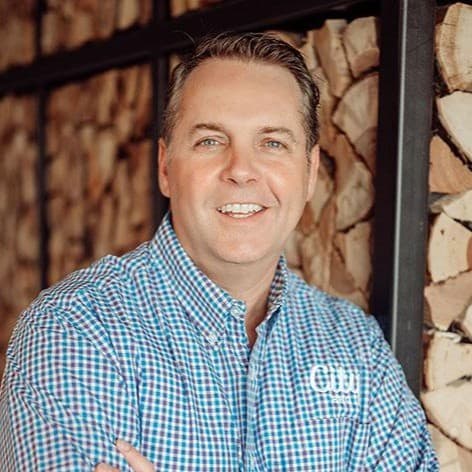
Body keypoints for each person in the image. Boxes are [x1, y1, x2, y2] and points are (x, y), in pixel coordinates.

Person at [0, 32, 438, 471]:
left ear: (308, 174)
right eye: (210, 141)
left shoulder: (354, 346)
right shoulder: (76, 328)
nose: (241, 170)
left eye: (272, 143)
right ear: (166, 168)